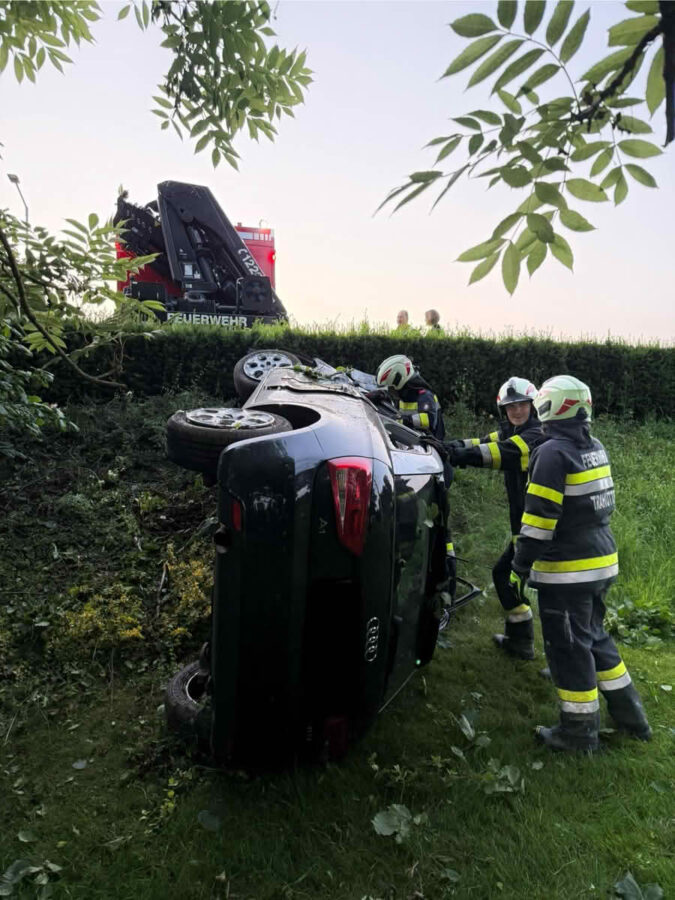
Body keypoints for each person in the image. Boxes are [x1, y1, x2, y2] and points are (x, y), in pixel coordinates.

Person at [510, 375, 651, 752]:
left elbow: (538, 521)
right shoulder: (595, 446)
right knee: (595, 639)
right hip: (600, 561)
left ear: (550, 406)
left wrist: (519, 566)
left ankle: (578, 733)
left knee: (569, 649)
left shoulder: (552, 453)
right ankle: (632, 718)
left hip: (568, 572)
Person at [446, 377, 545, 659]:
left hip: (541, 529)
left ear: (532, 405)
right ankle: (520, 641)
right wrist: (446, 446)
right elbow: (480, 442)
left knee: (552, 597)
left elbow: (501, 452)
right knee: (504, 576)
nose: (517, 410)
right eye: (511, 406)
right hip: (523, 527)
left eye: (522, 404)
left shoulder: (536, 434)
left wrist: (458, 456)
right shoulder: (510, 431)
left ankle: (567, 661)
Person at [374, 354, 445, 440]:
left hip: (429, 442)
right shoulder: (404, 393)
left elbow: (429, 420)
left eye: (391, 388)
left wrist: (405, 420)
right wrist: (381, 395)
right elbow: (395, 406)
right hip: (410, 438)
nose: (390, 392)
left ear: (399, 381)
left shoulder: (425, 395)